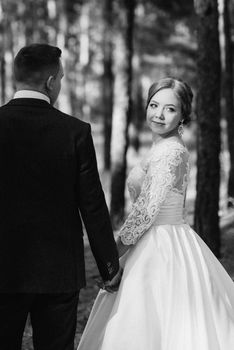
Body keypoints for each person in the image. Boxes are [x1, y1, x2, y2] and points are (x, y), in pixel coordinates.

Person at [77, 77, 234, 350]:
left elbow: (146, 212)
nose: (159, 114)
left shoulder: (169, 152)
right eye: (154, 104)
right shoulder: (162, 147)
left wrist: (111, 255)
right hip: (157, 239)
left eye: (170, 109)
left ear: (184, 115)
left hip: (161, 244)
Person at [0, 43, 122, 350]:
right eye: (62, 78)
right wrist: (110, 267)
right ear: (51, 82)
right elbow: (92, 205)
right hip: (59, 272)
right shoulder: (75, 131)